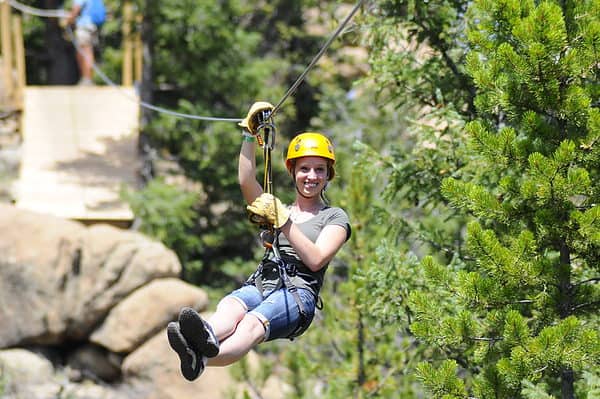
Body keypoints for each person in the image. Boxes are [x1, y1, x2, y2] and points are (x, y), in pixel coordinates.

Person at [167, 102, 352, 381]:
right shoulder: (278, 208)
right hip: (264, 281)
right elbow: (246, 180)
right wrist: (249, 136)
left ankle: (202, 358)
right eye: (305, 169)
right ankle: (201, 339)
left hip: (297, 294)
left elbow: (316, 259)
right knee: (230, 309)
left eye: (319, 170)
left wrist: (283, 222)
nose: (311, 176)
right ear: (292, 171)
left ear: (328, 175)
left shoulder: (334, 217)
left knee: (251, 326)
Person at [62, 0, 106, 85]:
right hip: (92, 26)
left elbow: (76, 10)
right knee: (86, 51)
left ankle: (87, 79)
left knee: (85, 51)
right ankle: (87, 78)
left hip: (84, 26)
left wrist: (67, 21)